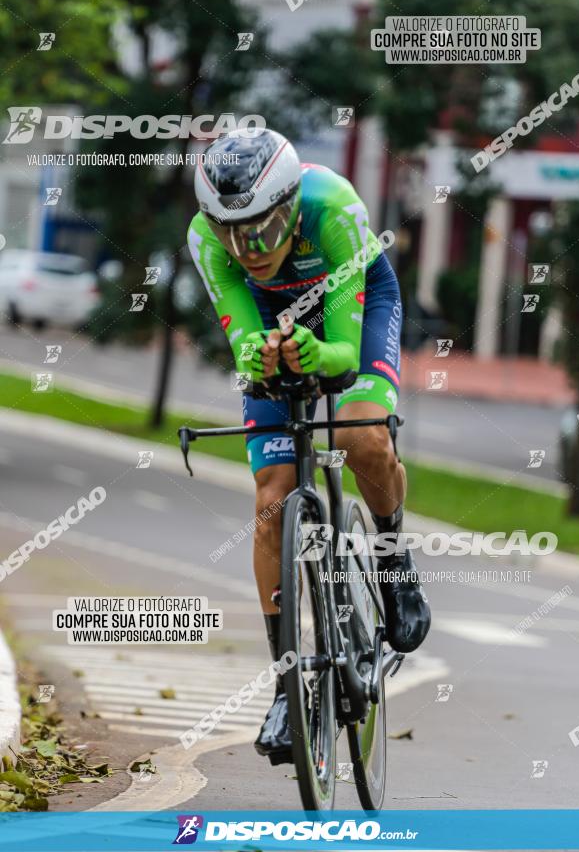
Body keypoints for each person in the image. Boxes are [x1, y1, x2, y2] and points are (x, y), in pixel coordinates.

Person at [188, 128, 431, 766]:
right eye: (231, 234)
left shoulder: (336, 209)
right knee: (271, 500)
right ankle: (285, 684)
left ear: (291, 204)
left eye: (263, 230)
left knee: (356, 435)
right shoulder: (206, 241)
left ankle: (392, 557)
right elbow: (242, 334)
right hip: (274, 320)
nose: (249, 249)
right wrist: (256, 350)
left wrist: (318, 355)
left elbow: (345, 355)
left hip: (354, 308)